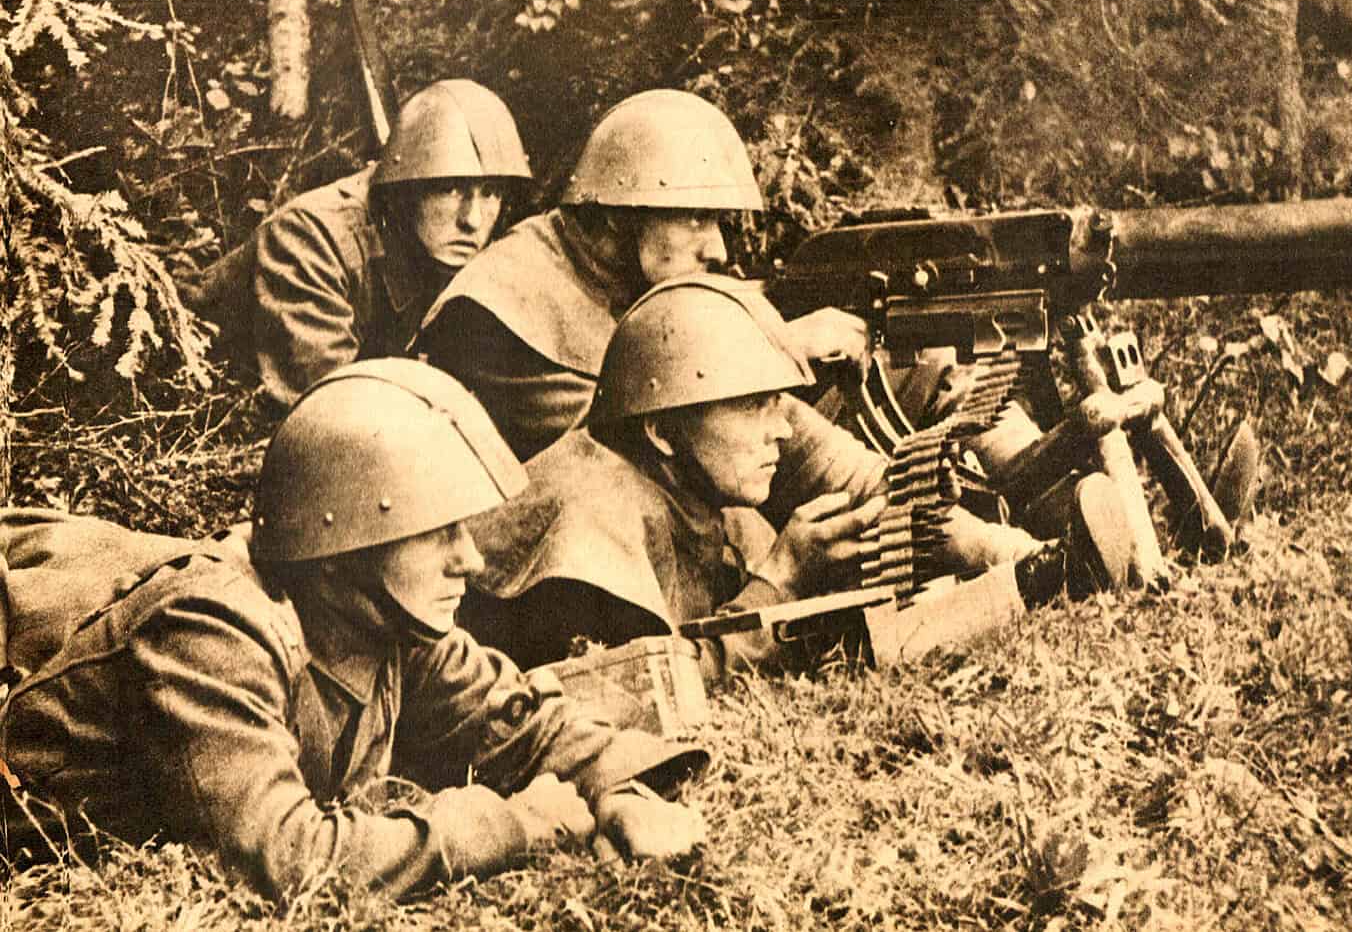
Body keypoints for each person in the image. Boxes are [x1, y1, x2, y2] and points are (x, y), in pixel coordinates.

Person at [0, 359, 707, 900]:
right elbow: (290, 858)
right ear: (347, 540)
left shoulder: (384, 619)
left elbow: (522, 723)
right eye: (438, 533)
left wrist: (613, 789)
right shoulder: (213, 630)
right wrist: (512, 825)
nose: (471, 557)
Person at [418, 89, 1125, 615]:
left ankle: (1067, 513)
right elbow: (691, 438)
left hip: (671, 530)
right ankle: (1018, 557)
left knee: (920, 359)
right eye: (695, 217)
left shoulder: (623, 275)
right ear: (618, 212)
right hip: (566, 582)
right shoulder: (506, 312)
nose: (717, 247)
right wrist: (781, 350)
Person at [190, 79, 532, 408]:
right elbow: (335, 408)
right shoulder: (312, 238)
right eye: (450, 189)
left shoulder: (441, 246)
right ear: (407, 187)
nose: (472, 219)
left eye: (491, 192)